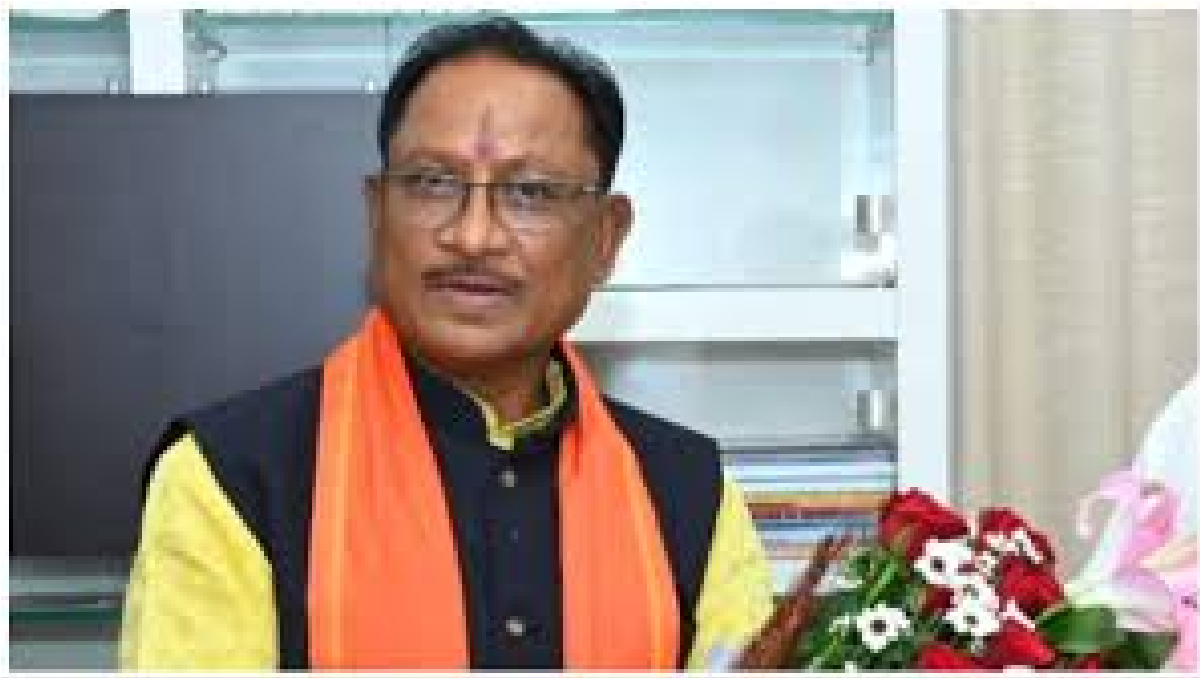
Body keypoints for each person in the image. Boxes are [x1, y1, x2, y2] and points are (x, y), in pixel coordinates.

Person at [119, 16, 773, 671]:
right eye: (433, 183)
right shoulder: (233, 476)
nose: (472, 236)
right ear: (377, 213)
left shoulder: (691, 492)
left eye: (530, 193)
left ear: (605, 238)